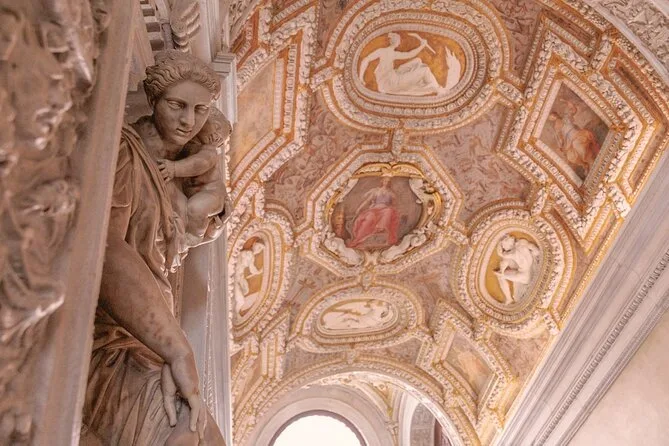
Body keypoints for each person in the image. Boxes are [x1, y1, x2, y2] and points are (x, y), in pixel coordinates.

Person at [81, 50, 226, 446]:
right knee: (195, 436)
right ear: (153, 100)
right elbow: (106, 249)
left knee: (201, 434)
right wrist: (177, 350)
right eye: (177, 105)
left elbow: (197, 230)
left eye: (200, 110)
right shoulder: (124, 151)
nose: (188, 121)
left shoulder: (178, 175)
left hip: (145, 341)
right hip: (105, 336)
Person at [157, 107, 231, 246]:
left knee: (196, 208)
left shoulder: (208, 151)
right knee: (193, 209)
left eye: (220, 139)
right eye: (216, 127)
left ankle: (194, 236)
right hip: (188, 198)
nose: (216, 136)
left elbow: (199, 163)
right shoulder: (187, 143)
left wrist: (173, 168)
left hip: (212, 195)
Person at [358, 32, 461, 97]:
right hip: (393, 82)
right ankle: (437, 88)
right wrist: (422, 46)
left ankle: (432, 86)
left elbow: (365, 60)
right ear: (395, 42)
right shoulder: (390, 53)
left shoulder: (384, 51)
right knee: (425, 69)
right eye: (398, 41)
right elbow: (409, 54)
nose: (399, 43)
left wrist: (361, 77)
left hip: (389, 80)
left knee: (418, 60)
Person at [347, 176, 400, 248]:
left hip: (385, 209)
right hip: (375, 209)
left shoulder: (391, 193)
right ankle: (359, 238)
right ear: (382, 182)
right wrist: (359, 209)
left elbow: (394, 205)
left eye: (388, 182)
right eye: (385, 181)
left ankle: (380, 228)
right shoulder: (376, 191)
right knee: (370, 216)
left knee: (389, 211)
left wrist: (395, 210)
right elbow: (367, 201)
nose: (386, 183)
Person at [494, 235, 540, 304]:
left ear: (507, 243)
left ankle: (509, 299)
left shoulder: (510, 253)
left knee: (500, 276)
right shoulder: (522, 242)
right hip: (530, 272)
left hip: (523, 276)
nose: (504, 248)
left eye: (503, 246)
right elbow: (536, 250)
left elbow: (501, 255)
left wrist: (501, 270)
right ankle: (509, 299)